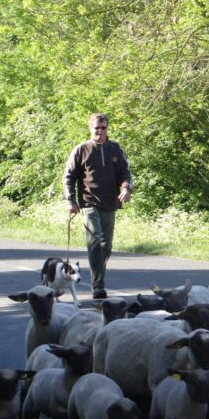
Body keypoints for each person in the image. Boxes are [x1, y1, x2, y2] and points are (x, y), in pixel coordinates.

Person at [63, 113, 132, 299]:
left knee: (106, 246)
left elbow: (125, 173)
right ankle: (98, 286)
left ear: (107, 129)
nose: (100, 131)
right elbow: (68, 177)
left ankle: (98, 279)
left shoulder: (115, 149)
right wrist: (71, 200)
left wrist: (126, 189)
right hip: (89, 203)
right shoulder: (81, 150)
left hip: (110, 203)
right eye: (96, 128)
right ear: (90, 129)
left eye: (103, 128)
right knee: (96, 241)